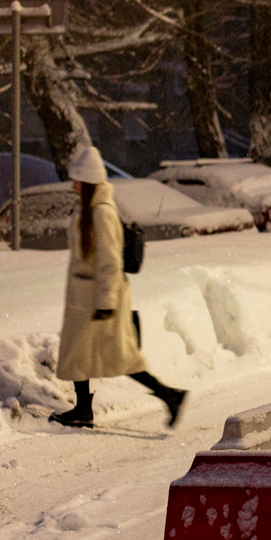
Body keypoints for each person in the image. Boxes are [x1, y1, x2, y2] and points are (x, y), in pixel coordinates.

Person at [51, 146, 187, 429]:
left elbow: (110, 260)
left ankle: (170, 395)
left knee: (121, 357)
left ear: (87, 182)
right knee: (80, 354)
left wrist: (106, 302)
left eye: (78, 180)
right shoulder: (87, 208)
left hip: (99, 298)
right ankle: (83, 409)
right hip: (86, 296)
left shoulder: (101, 212)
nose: (73, 185)